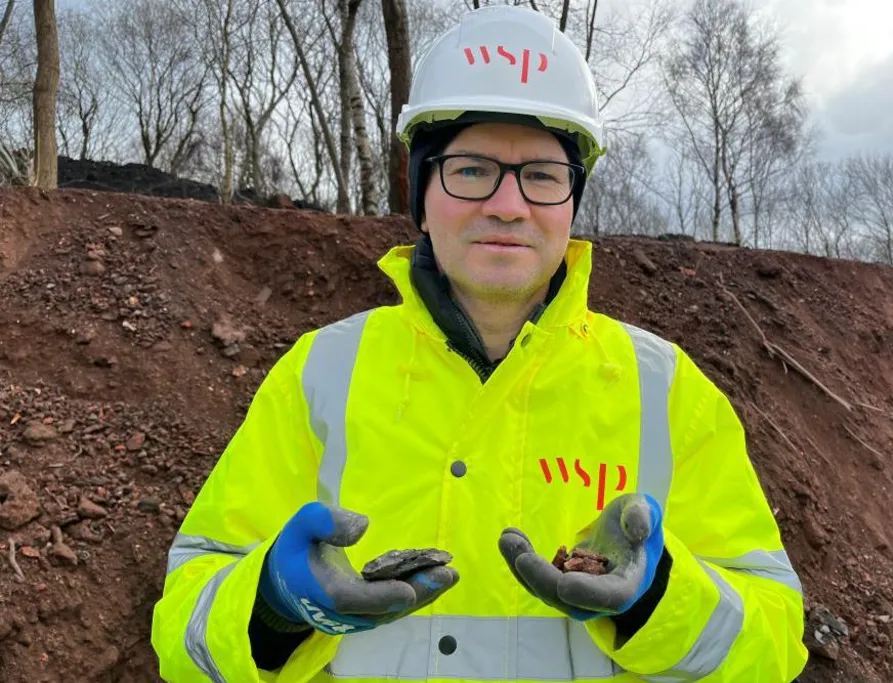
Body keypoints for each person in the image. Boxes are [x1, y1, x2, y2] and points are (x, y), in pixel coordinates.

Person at [150, 5, 808, 682]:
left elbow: (776, 642)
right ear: (422, 190)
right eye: (470, 170)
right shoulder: (321, 374)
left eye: (543, 177)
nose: (508, 205)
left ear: (572, 202)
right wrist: (273, 607)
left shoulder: (666, 391)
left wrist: (659, 599)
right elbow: (183, 633)